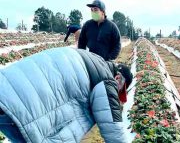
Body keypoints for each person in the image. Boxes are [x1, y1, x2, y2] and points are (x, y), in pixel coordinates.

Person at [0, 47, 133, 143]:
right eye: (119, 91)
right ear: (117, 78)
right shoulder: (107, 80)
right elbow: (114, 130)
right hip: (18, 105)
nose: (116, 95)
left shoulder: (91, 59)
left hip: (6, 91)